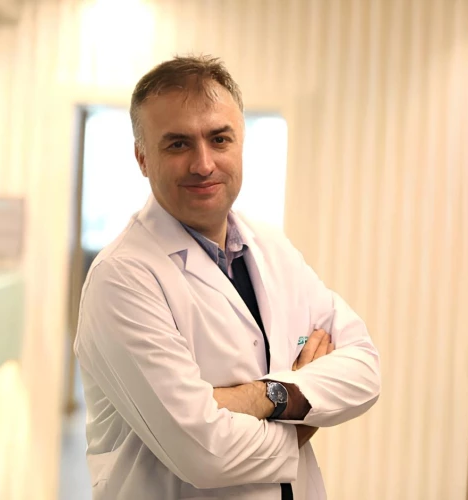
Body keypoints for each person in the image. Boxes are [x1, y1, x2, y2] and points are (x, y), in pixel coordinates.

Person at [73, 55, 381, 500]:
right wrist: (309, 405)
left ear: (240, 144)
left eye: (219, 139)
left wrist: (263, 396)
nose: (203, 164)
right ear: (142, 158)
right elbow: (206, 454)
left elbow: (365, 368)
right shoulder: (121, 279)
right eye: (178, 144)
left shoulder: (272, 248)